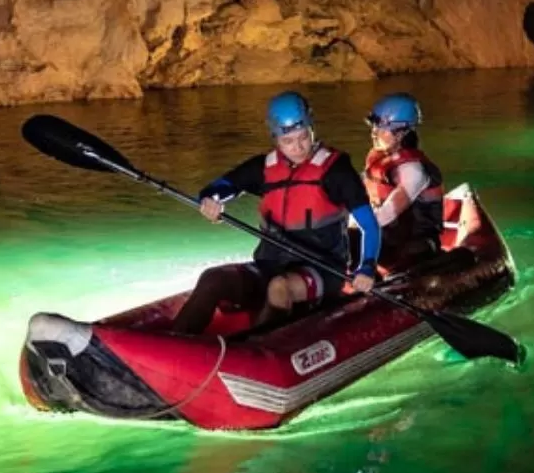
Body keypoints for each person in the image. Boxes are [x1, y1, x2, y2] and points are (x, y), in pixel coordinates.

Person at [169, 91, 381, 334]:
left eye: (303, 137)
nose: (298, 147)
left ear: (312, 127)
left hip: (323, 268)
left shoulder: (337, 172)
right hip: (271, 263)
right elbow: (219, 187)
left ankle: (254, 352)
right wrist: (212, 200)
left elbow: (369, 225)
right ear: (276, 139)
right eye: (288, 141)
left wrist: (367, 266)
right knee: (212, 278)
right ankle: (173, 343)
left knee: (279, 287)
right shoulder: (264, 168)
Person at [360, 93, 446, 271]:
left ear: (400, 134)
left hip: (416, 242)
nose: (374, 132)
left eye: (381, 128)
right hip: (389, 236)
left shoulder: (412, 171)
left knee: (349, 241)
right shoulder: (380, 160)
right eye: (375, 126)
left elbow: (385, 216)